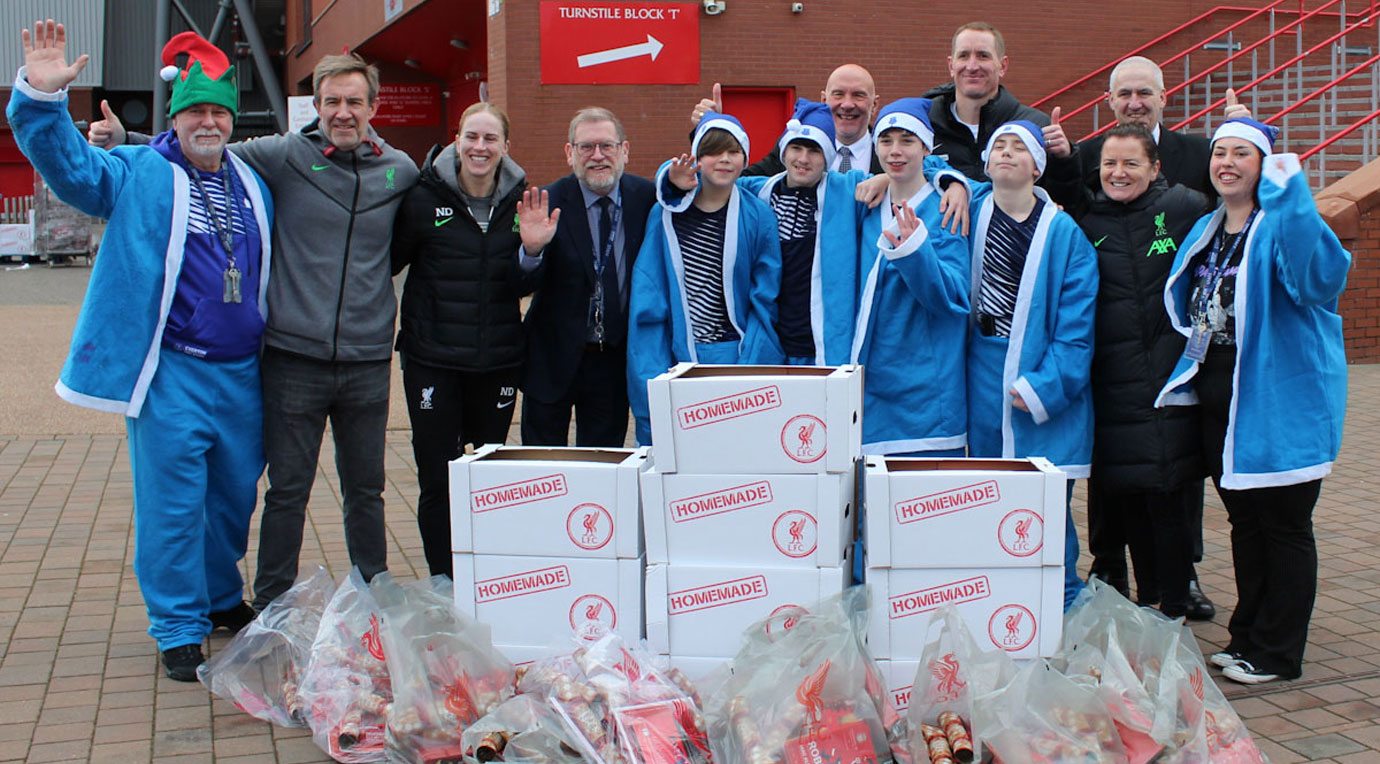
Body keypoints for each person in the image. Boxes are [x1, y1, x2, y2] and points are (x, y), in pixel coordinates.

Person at [88, 50, 420, 612]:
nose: (343, 111)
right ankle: (272, 606)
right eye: (332, 101)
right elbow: (200, 147)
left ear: (373, 106)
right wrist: (132, 139)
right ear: (315, 107)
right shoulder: (282, 155)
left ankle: (377, 597)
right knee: (287, 492)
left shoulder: (402, 170)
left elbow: (433, 222)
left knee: (367, 492)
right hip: (293, 358)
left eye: (354, 101)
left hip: (366, 360)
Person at [11, 21, 274, 680]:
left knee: (232, 499)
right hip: (173, 374)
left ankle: (217, 598)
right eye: (194, 112)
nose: (207, 122)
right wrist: (41, 104)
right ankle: (178, 624)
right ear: (175, 119)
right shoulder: (138, 170)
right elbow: (74, 171)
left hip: (245, 374)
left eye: (218, 111)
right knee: (173, 503)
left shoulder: (253, 180)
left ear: (232, 120)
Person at [1157, 118, 1349, 684]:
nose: (1228, 162)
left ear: (1265, 166)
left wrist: (1293, 200)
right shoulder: (1208, 228)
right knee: (1245, 520)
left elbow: (1320, 280)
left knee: (1284, 524)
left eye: (1244, 153)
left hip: (1278, 398)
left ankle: (1277, 651)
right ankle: (1248, 636)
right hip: (1222, 394)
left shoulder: (1282, 223)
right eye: (1220, 152)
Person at [390, 102, 539, 578]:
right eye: (471, 137)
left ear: (505, 147)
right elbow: (390, 263)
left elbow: (520, 286)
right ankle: (443, 580)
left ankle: (483, 575)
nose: (480, 147)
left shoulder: (523, 202)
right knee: (438, 477)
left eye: (490, 139)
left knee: (485, 477)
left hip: (496, 362)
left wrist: (533, 253)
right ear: (457, 140)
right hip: (432, 361)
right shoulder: (421, 198)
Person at [1071, 123, 1213, 619]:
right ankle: (1146, 604)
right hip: (1112, 388)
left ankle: (1171, 604)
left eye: (1131, 163)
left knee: (1169, 500)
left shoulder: (1185, 209)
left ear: (1155, 168)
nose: (1118, 172)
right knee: (1128, 499)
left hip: (1169, 386)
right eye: (1110, 163)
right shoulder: (1086, 222)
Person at [965, 121, 1098, 610]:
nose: (1006, 153)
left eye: (1019, 147)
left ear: (1038, 166)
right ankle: (992, 597)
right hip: (979, 370)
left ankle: (1059, 599)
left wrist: (1046, 385)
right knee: (982, 493)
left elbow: (1077, 326)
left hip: (1038, 375)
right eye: (998, 145)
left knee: (1042, 502)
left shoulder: (1066, 235)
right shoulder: (966, 209)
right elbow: (927, 170)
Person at [627, 113, 784, 444]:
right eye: (713, 151)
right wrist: (653, 376)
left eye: (734, 151)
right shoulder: (666, 214)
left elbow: (765, 300)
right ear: (697, 158)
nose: (725, 159)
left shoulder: (758, 216)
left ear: (745, 158)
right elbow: (649, 297)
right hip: (677, 360)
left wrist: (750, 369)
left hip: (737, 357)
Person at [519, 108, 655, 447]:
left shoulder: (648, 199)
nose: (597, 156)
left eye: (606, 146)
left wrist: (707, 128)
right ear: (570, 153)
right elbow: (520, 285)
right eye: (586, 147)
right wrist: (531, 251)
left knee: (601, 467)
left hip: (612, 361)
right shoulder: (547, 204)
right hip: (551, 359)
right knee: (542, 468)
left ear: (624, 150)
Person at [853, 98, 971, 456]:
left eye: (907, 140)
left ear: (925, 146)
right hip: (870, 387)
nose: (895, 151)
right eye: (886, 141)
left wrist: (915, 252)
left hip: (927, 396)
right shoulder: (865, 200)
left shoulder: (947, 205)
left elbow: (954, 298)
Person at [923, 22, 1078, 186]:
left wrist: (1064, 161)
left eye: (983, 56)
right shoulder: (925, 124)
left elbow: (1064, 202)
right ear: (951, 65)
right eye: (963, 56)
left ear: (1003, 66)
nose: (972, 66)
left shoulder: (1035, 125)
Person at [689, 65, 884, 176]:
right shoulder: (794, 149)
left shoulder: (893, 156)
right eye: (838, 94)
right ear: (824, 100)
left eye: (858, 95)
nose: (847, 104)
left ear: (874, 104)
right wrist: (715, 128)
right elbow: (732, 180)